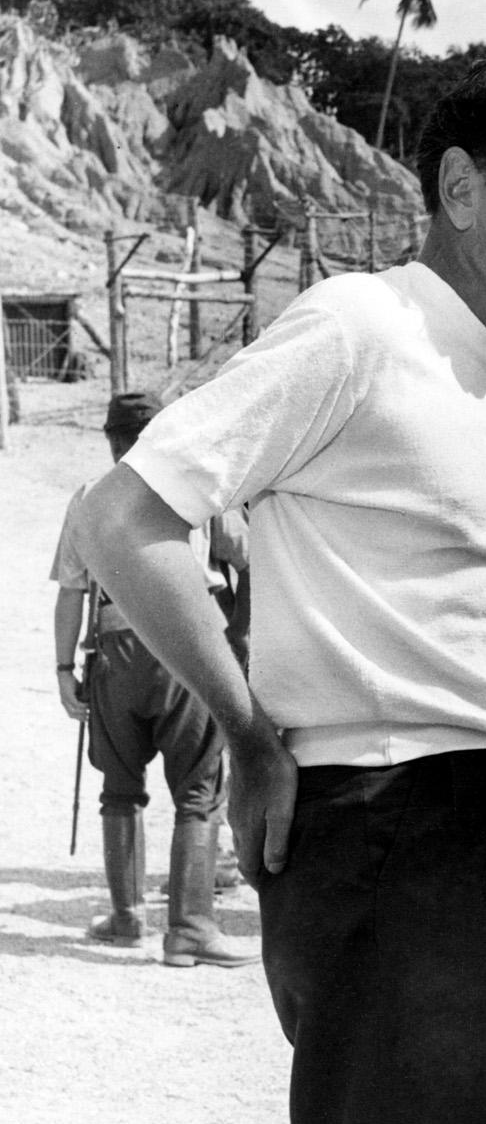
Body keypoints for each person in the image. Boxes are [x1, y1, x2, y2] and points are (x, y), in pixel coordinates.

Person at [74, 50, 486, 1124]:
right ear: (462, 187)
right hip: (396, 823)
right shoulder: (363, 324)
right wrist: (251, 730)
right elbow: (127, 519)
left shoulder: (481, 360)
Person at [50, 390, 256, 965]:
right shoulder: (201, 487)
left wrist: (64, 669)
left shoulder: (89, 496)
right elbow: (248, 559)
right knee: (197, 792)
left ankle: (125, 917)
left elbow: (71, 592)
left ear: (111, 440)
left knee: (119, 788)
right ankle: (189, 928)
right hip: (189, 642)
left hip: (111, 643)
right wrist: (238, 636)